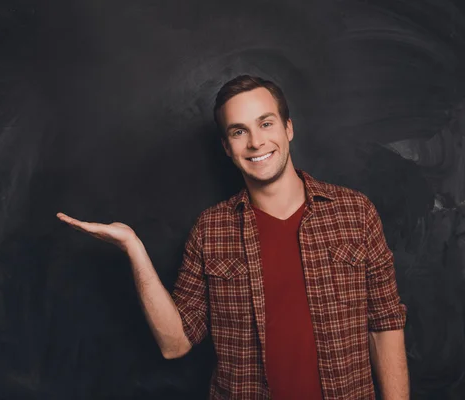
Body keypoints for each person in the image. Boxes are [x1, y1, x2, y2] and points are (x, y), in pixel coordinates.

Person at [57, 75, 409, 399]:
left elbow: (385, 325)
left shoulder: (355, 212)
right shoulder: (210, 230)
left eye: (265, 123)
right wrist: (134, 249)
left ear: (288, 128)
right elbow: (175, 343)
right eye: (239, 131)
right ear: (226, 147)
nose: (256, 142)